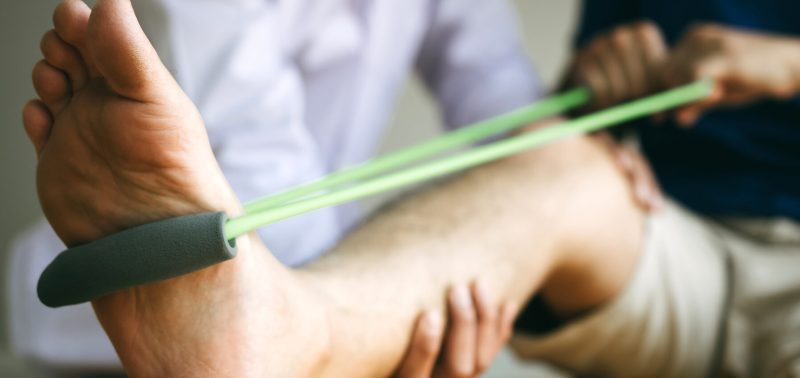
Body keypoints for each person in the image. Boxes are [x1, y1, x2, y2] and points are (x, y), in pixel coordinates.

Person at [22, 0, 654, 376]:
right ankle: (278, 327)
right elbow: (263, 160)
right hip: (128, 309)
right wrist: (371, 318)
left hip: (279, 305)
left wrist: (569, 152)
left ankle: (284, 330)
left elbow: (498, 92)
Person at [510, 1, 800, 377]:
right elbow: (579, 129)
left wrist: (792, 62)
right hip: (669, 238)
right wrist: (589, 88)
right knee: (538, 170)